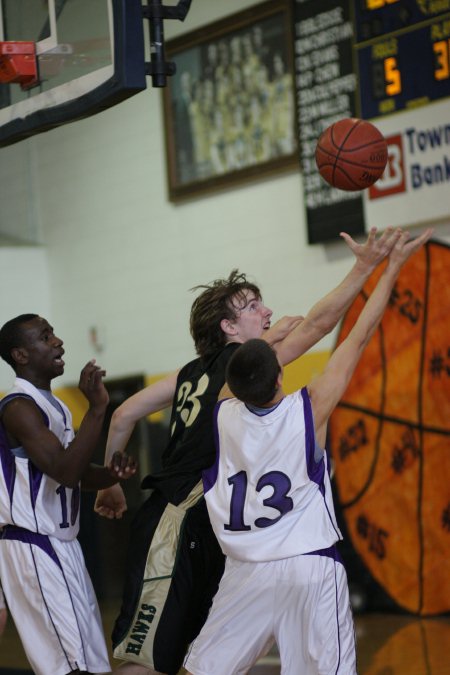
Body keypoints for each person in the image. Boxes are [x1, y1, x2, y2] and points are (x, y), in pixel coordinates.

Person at [94, 227, 405, 675]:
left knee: (188, 655)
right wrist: (369, 267)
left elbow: (123, 416)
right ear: (229, 328)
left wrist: (111, 484)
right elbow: (325, 327)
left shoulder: (206, 389)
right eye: (254, 306)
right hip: (190, 517)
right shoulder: (265, 389)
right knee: (149, 655)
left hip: (222, 531)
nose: (268, 311)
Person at [184, 227, 432, 675]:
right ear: (280, 376)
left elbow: (240, 369)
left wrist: (267, 340)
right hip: (309, 565)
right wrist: (391, 266)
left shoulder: (221, 412)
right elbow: (358, 334)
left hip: (246, 569)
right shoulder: (310, 408)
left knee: (206, 670)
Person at [0, 314, 137, 675]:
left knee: (91, 661)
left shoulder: (54, 405)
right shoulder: (18, 407)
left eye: (54, 334)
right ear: (21, 355)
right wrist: (96, 409)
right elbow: (63, 470)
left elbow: (72, 473)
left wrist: (109, 475)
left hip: (62, 545)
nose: (58, 342)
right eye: (46, 337)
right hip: (35, 546)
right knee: (69, 665)